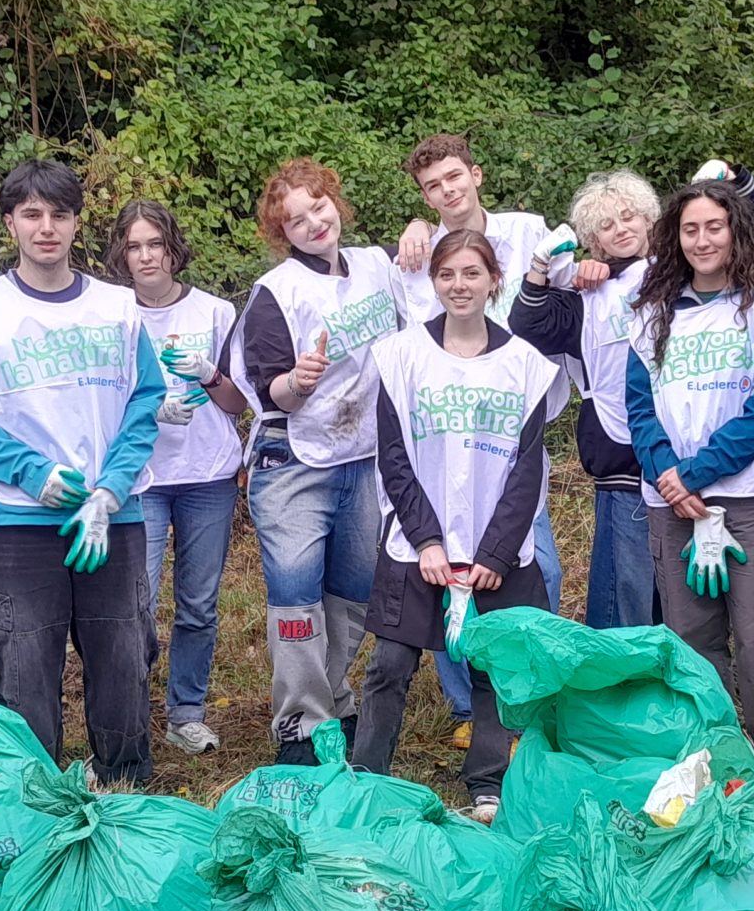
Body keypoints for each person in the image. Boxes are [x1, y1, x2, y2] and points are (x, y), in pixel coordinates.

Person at [0, 159, 164, 782]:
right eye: (32, 215)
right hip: (19, 519)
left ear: (76, 223)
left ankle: (123, 786)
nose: (46, 228)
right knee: (23, 664)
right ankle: (34, 793)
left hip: (111, 518)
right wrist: (32, 473)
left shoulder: (117, 307)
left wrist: (112, 490)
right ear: (10, 222)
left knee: (122, 659)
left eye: (59, 215)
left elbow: (145, 400)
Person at [513, 160, 754, 630]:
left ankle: (700, 682)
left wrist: (729, 176)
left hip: (706, 456)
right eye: (605, 225)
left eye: (628, 217)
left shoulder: (681, 270)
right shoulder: (586, 294)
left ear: (651, 219)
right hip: (623, 458)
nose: (619, 230)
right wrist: (542, 267)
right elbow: (529, 326)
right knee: (628, 594)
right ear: (591, 240)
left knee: (699, 595)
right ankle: (626, 689)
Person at [349, 231, 562, 819]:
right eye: (447, 275)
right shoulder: (400, 357)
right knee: (389, 664)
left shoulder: (526, 366)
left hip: (499, 552)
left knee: (493, 669)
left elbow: (527, 472)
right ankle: (367, 778)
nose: (459, 286)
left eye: (472, 274)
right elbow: (392, 458)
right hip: (418, 546)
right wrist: (427, 540)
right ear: (432, 281)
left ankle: (488, 783)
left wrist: (495, 554)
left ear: (495, 281)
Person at [624, 176, 754, 784]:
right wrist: (666, 474)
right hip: (672, 502)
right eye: (690, 229)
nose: (702, 239)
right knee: (691, 634)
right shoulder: (652, 311)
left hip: (748, 496)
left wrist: (693, 473)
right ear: (674, 237)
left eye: (715, 226)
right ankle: (714, 745)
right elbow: (639, 405)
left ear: (737, 230)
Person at [389, 133, 563, 734]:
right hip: (443, 433)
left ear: (477, 175)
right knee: (444, 571)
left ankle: (529, 702)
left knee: (535, 569)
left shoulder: (525, 230)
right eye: (433, 186)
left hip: (511, 423)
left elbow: (570, 276)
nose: (447, 191)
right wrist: (416, 228)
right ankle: (468, 707)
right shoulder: (415, 258)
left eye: (454, 177)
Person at [235, 159, 406, 765]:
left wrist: (416, 227)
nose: (314, 222)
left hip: (367, 457)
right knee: (296, 597)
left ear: (337, 202)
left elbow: (441, 267)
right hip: (296, 462)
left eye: (319, 206)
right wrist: (296, 381)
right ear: (281, 232)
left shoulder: (377, 266)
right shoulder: (275, 292)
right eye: (296, 219)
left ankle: (330, 694)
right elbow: (265, 391)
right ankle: (300, 728)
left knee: (353, 593)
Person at [106, 200, 245, 756]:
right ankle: (129, 706)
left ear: (173, 247)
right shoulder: (111, 312)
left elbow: (240, 401)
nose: (145, 256)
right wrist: (147, 408)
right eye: (134, 245)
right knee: (135, 601)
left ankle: (186, 711)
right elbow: (94, 400)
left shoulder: (214, 313)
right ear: (122, 251)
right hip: (141, 476)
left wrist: (210, 375)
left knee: (198, 603)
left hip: (207, 474)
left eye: (154, 244)